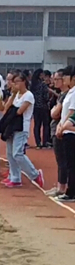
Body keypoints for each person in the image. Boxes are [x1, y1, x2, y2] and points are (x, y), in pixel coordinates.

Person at [0, 72, 45, 189]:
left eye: (17, 82)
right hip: (11, 126)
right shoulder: (16, 95)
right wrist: (13, 95)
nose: (14, 85)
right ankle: (15, 178)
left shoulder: (29, 95)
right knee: (10, 154)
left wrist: (11, 109)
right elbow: (6, 107)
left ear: (23, 82)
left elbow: (20, 111)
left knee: (17, 153)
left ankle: (35, 174)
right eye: (13, 82)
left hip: (21, 127)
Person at [46, 68, 71, 197]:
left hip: (61, 129)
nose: (54, 82)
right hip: (57, 128)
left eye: (57, 79)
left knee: (63, 160)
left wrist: (55, 110)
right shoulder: (61, 95)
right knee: (60, 160)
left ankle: (62, 187)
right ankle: (61, 186)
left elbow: (55, 114)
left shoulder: (67, 95)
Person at [55, 67, 75, 201]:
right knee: (68, 163)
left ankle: (70, 192)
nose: (64, 80)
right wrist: (60, 125)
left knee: (71, 164)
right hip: (65, 129)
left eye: (66, 77)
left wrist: (63, 126)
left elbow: (72, 112)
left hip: (70, 132)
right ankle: (69, 190)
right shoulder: (69, 92)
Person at [30, 69, 51, 149]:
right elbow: (46, 97)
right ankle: (45, 142)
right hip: (43, 107)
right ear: (40, 75)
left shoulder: (33, 85)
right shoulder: (43, 85)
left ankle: (38, 142)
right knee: (45, 125)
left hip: (35, 107)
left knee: (37, 125)